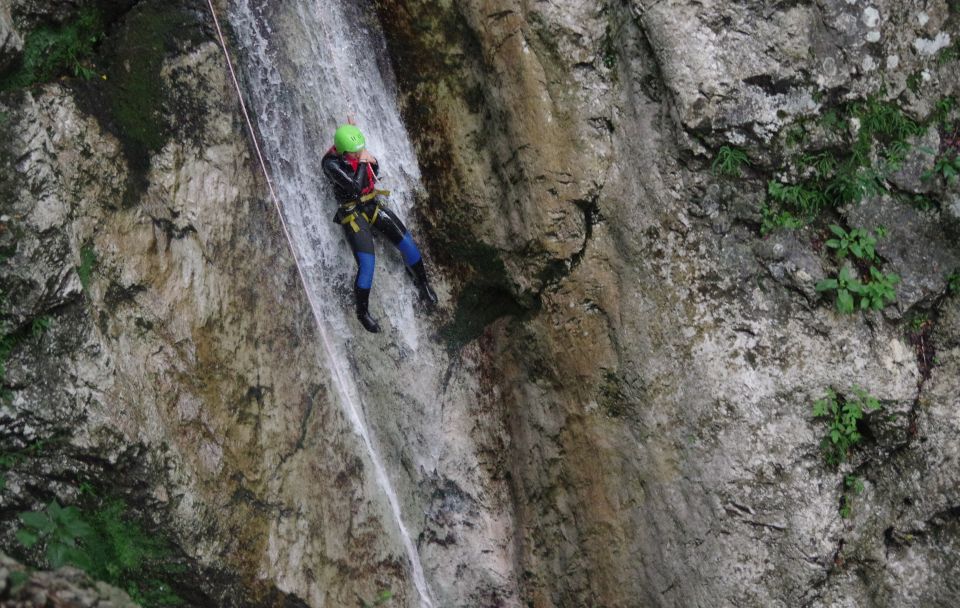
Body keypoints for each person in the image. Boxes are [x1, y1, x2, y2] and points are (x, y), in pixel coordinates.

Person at [321, 118, 438, 333]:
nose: (358, 155)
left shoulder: (356, 152)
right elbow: (355, 188)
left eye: (359, 152)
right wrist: (364, 162)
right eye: (355, 154)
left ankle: (422, 283)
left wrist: (370, 161)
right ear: (344, 152)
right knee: (367, 265)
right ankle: (362, 313)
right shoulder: (331, 164)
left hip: (370, 203)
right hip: (351, 213)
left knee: (407, 242)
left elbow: (373, 171)